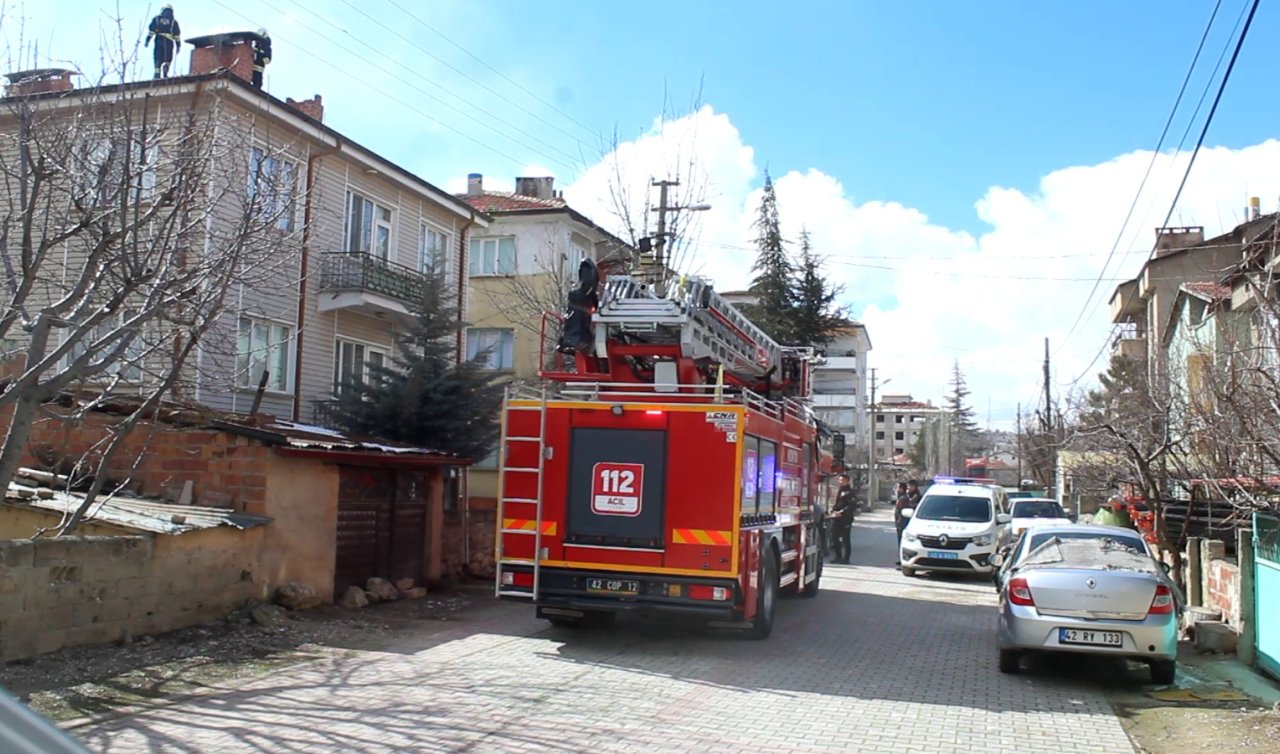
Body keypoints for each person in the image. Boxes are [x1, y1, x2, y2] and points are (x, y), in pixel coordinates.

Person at [144, 5, 181, 79]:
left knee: (158, 56)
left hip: (158, 40)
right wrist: (178, 46)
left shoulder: (157, 19)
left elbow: (151, 31)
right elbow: (177, 35)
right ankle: (165, 70)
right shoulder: (174, 22)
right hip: (169, 41)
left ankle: (157, 72)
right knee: (168, 57)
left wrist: (147, 40)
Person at [831, 475, 856, 564]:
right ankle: (838, 556)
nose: (839, 481)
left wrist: (841, 512)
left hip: (846, 519)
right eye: (839, 480)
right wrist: (833, 510)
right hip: (836, 518)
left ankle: (846, 558)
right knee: (835, 538)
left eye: (841, 480)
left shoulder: (850, 492)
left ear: (847, 481)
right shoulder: (840, 490)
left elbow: (851, 506)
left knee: (846, 539)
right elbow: (837, 503)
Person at [893, 481, 911, 564]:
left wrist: (899, 522)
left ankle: (903, 560)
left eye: (898, 488)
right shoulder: (902, 498)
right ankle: (901, 559)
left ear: (902, 489)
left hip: (902, 523)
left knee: (902, 542)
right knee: (899, 542)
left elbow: (902, 512)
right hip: (899, 523)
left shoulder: (904, 499)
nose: (897, 489)